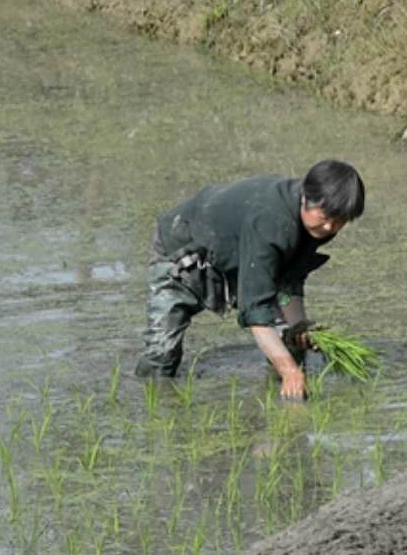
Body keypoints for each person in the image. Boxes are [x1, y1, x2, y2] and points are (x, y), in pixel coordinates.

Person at [133, 160, 366, 400]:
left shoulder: (316, 227)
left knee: (291, 344)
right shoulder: (270, 221)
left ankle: (283, 414)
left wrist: (299, 326)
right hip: (185, 255)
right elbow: (255, 310)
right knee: (161, 358)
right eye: (326, 216)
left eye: (339, 221)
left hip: (241, 255)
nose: (329, 226)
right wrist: (288, 371)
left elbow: (289, 282)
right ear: (306, 197)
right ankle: (150, 405)